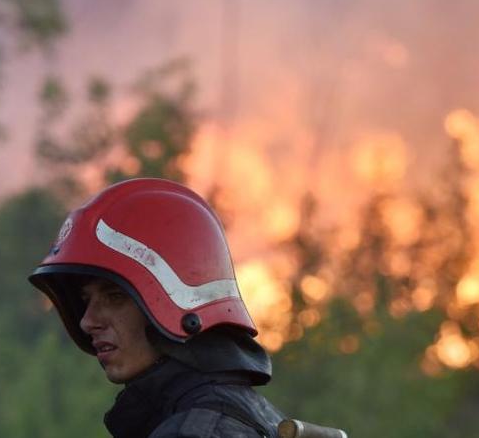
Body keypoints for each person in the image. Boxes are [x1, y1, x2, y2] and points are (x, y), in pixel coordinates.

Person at [28, 178, 286, 438]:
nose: (87, 322)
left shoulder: (195, 432)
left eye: (115, 297)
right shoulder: (252, 417)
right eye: (86, 300)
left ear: (183, 306)